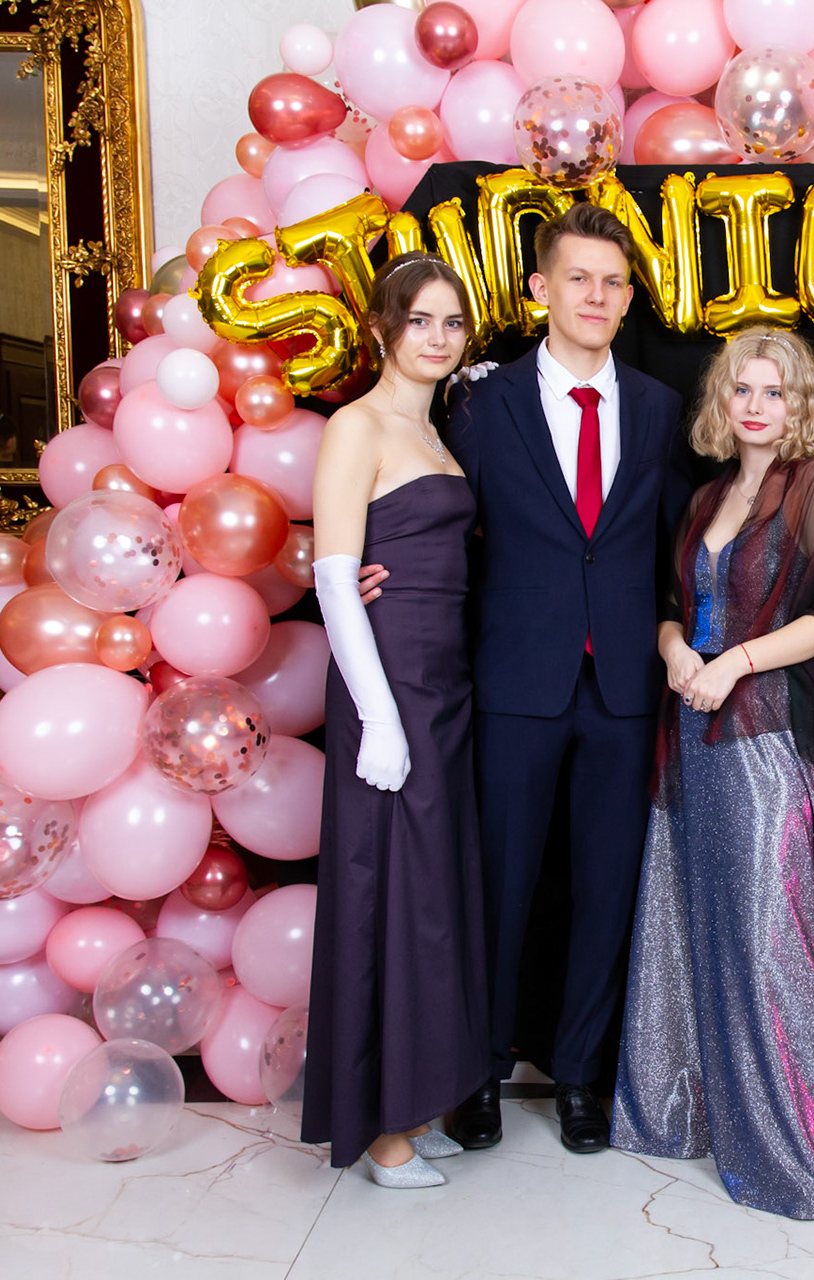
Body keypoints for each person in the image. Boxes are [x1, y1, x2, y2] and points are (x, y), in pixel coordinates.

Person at [612, 328, 814, 1220]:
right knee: (703, 920)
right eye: (743, 390)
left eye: (775, 391)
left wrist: (733, 663)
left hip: (768, 737)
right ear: (722, 402)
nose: (758, 406)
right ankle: (706, 1107)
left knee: (771, 933)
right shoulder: (705, 498)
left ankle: (807, 1145)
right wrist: (674, 653)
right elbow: (673, 607)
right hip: (693, 735)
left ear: (799, 402)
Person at [441, 204, 692, 1154]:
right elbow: (446, 531)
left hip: (625, 687)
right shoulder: (483, 404)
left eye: (613, 282)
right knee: (499, 885)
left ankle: (582, 1073)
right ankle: (478, 1071)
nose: (597, 295)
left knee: (608, 885)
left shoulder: (660, 406)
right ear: (541, 289)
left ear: (629, 300)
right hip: (515, 681)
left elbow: (673, 547)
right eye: (579, 278)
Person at [304, 251, 489, 1189]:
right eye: (420, 320)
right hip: (390, 683)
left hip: (444, 684)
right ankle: (380, 1133)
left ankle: (417, 1102)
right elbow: (336, 579)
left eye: (452, 323)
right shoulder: (356, 424)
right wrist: (378, 718)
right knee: (385, 891)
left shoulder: (440, 429)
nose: (438, 338)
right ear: (383, 329)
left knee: (430, 897)